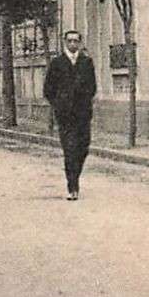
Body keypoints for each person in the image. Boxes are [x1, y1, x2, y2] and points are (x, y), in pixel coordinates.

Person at [42, 30, 97, 200]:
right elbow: (48, 89)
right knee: (70, 149)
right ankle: (73, 186)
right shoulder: (57, 63)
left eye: (76, 41)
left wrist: (84, 100)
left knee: (83, 148)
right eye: (70, 41)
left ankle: (76, 176)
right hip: (65, 115)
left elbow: (92, 87)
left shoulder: (86, 62)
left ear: (80, 43)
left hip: (83, 114)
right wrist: (59, 104)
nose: (73, 44)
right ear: (65, 43)